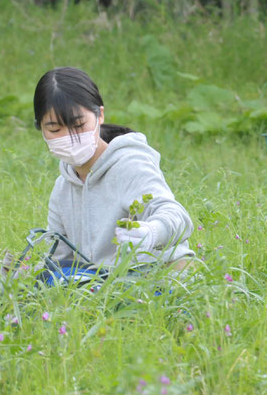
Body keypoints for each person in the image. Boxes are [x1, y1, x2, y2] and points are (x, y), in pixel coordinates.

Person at [33, 66, 195, 270]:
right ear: (41, 128)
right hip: (107, 284)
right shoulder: (63, 187)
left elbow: (178, 217)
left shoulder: (128, 164)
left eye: (79, 125)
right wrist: (23, 277)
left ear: (99, 116)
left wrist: (152, 232)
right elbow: (60, 259)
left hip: (159, 276)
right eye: (55, 129)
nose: (70, 137)